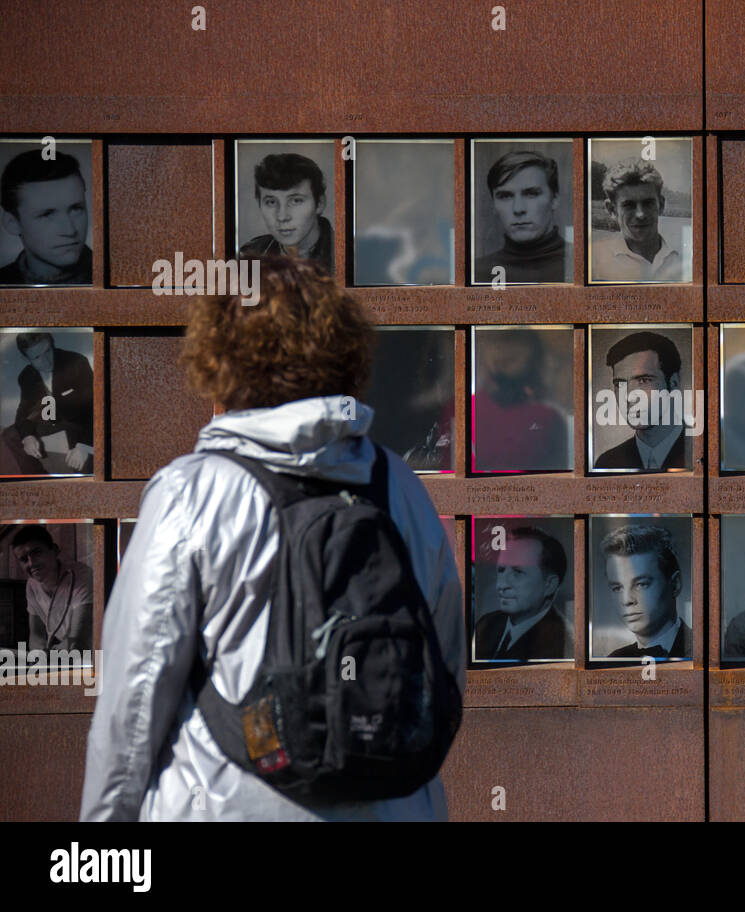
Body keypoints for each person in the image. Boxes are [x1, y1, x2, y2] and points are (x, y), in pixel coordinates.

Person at [80, 256, 465, 821]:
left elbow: (136, 697)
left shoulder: (192, 492)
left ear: (221, 357)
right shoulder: (395, 482)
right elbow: (444, 666)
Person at [472, 328, 569, 471]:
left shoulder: (550, 418)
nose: (503, 352)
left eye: (513, 353)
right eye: (497, 346)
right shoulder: (467, 408)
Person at [0, 331, 94, 476]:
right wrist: (27, 436)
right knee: (10, 435)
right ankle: (39, 477)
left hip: (79, 418)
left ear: (52, 345)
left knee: (83, 468)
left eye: (48, 351)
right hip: (48, 415)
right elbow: (24, 411)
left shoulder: (77, 362)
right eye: (37, 357)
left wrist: (84, 446)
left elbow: (95, 408)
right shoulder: (26, 376)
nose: (47, 361)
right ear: (25, 358)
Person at [474, 526, 573, 661]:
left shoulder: (565, 642)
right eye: (501, 570)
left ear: (549, 585)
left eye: (518, 572)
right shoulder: (485, 625)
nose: (501, 585)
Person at [593, 331, 687, 471]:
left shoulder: (701, 451)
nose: (629, 396)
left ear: (673, 383)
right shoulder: (607, 463)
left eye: (643, 381)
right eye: (620, 384)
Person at [0, 149, 92, 286]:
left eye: (76, 209)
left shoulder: (115, 273)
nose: (70, 231)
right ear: (12, 223)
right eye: (47, 214)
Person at [474, 150, 568, 284]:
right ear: (493, 204)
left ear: (554, 199)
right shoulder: (475, 274)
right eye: (505, 196)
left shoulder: (586, 265)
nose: (518, 209)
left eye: (531, 194)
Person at [600, 524, 691, 659]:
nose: (627, 600)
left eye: (641, 584)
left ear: (675, 584)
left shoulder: (703, 651)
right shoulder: (613, 659)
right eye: (617, 588)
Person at [590, 160, 686, 282]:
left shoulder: (685, 259)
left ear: (661, 205)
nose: (640, 214)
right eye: (629, 205)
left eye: (648, 203)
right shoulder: (593, 260)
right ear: (612, 210)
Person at [238, 153, 333, 272]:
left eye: (296, 201)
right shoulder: (247, 257)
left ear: (319, 203)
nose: (282, 216)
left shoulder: (351, 255)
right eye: (271, 202)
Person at [9, 524, 92, 653]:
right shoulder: (31, 585)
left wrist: (51, 652)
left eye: (36, 553)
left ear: (54, 550)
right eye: (24, 559)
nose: (31, 563)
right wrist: (40, 650)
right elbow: (36, 635)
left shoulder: (82, 576)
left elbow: (78, 642)